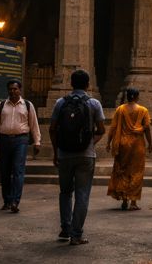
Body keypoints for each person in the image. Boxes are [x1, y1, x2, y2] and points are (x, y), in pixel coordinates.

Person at [49, 69, 106, 246]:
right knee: (82, 194)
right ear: (88, 84)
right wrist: (90, 142)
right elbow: (101, 130)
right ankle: (76, 234)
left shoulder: (60, 102)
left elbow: (52, 129)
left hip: (64, 154)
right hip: (85, 155)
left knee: (65, 192)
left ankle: (65, 229)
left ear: (71, 83)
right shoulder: (94, 103)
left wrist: (55, 151)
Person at [0, 79, 41, 213]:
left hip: (21, 140)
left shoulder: (27, 105)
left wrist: (37, 142)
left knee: (18, 170)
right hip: (4, 140)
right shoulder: (2, 105)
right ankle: (7, 201)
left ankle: (15, 201)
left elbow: (34, 124)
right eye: (10, 89)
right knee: (5, 171)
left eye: (15, 89)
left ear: (20, 90)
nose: (13, 91)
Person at [106, 88, 152, 211]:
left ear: (127, 97)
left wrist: (108, 142)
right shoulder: (143, 110)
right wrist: (150, 143)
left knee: (122, 170)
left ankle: (124, 199)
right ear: (137, 97)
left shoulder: (120, 109)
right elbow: (147, 128)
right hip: (137, 145)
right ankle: (133, 202)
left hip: (122, 144)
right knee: (136, 172)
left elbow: (113, 127)